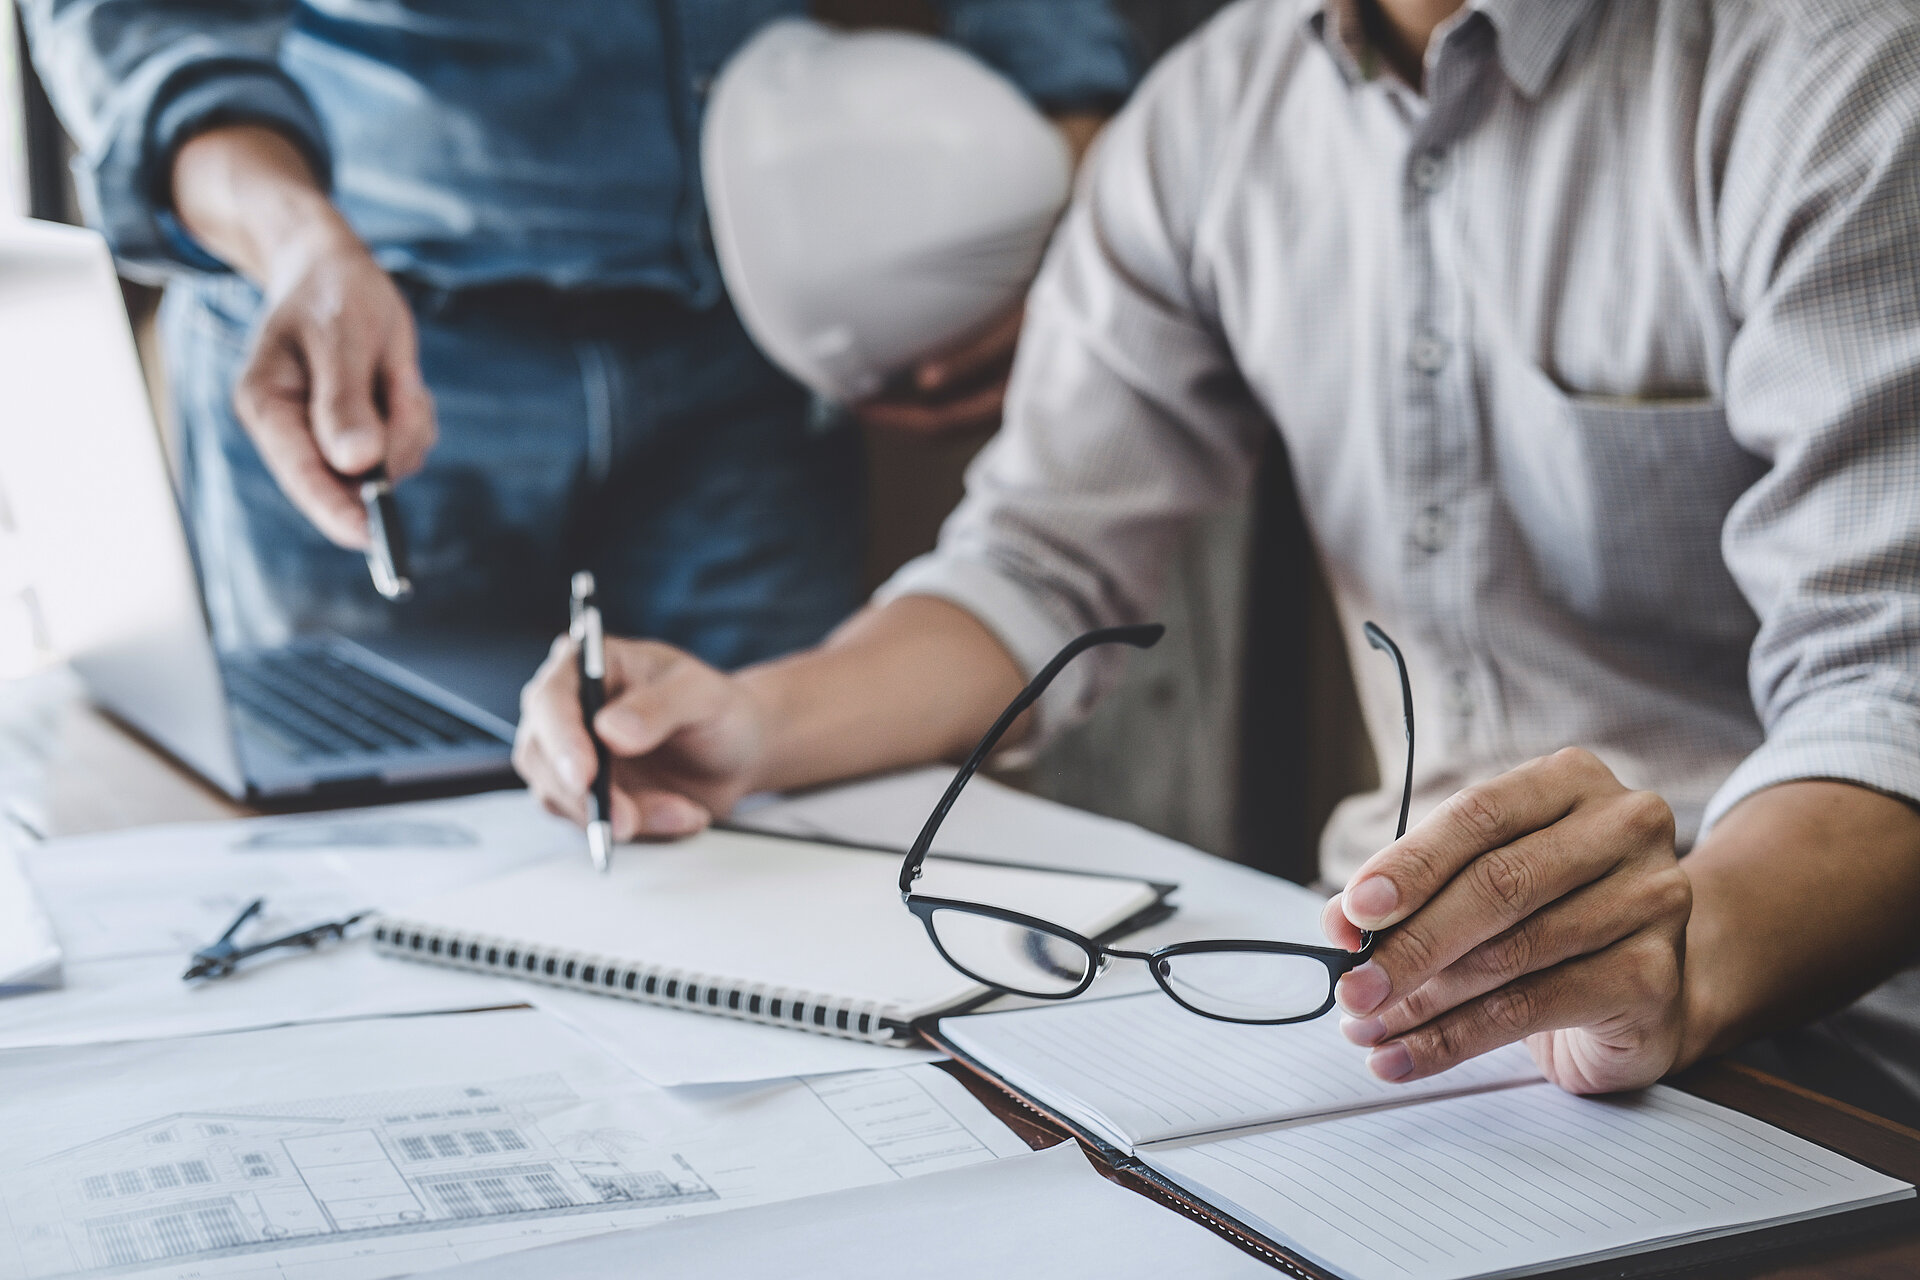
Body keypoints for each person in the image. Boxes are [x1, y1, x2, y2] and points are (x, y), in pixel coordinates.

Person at [514, 0, 1920, 1107]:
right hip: (1398, 1021)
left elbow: (1892, 702)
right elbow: (1040, 562)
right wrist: (750, 720)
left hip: (1812, 1035)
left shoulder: (1837, 71)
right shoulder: (1207, 117)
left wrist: (1678, 955)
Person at [20, 1, 1132, 664]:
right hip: (370, 346)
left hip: (755, 361)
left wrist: (1073, 194)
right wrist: (293, 237)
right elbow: (139, 23)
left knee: (781, 858)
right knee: (374, 865)